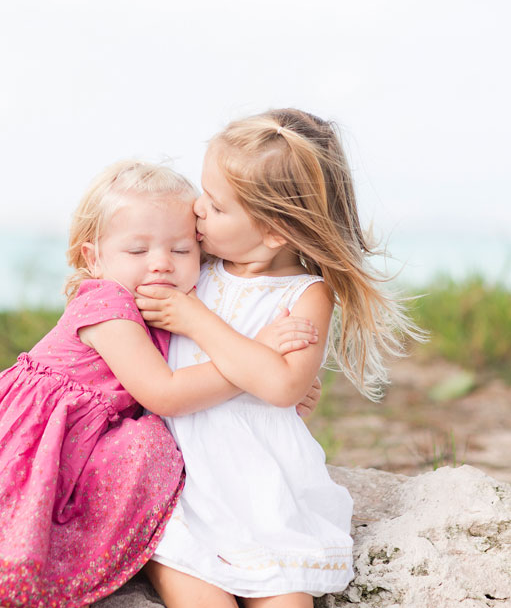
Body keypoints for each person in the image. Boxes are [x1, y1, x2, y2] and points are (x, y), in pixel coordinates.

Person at [0, 160, 319, 608]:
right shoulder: (107, 305)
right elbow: (166, 392)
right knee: (14, 558)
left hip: (84, 437)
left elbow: (201, 364)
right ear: (93, 258)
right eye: (137, 251)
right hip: (39, 439)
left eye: (180, 251)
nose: (160, 265)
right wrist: (253, 365)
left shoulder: (177, 304)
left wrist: (272, 385)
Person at [136, 108, 422, 607]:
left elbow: (283, 387)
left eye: (218, 207)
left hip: (265, 492)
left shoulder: (306, 295)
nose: (198, 210)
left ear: (274, 232)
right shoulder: (191, 268)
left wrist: (196, 320)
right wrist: (256, 364)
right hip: (183, 488)